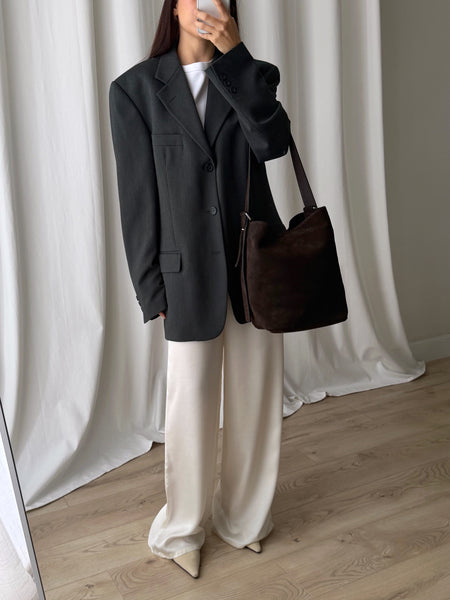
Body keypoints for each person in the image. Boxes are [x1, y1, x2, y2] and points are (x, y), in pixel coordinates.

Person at [109, 0, 291, 579]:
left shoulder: (253, 74)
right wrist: (150, 287)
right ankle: (183, 528)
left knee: (256, 398)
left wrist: (235, 60)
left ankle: (244, 518)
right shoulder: (135, 90)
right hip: (184, 273)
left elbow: (272, 144)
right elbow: (137, 199)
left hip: (255, 265)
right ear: (174, 6)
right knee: (189, 405)